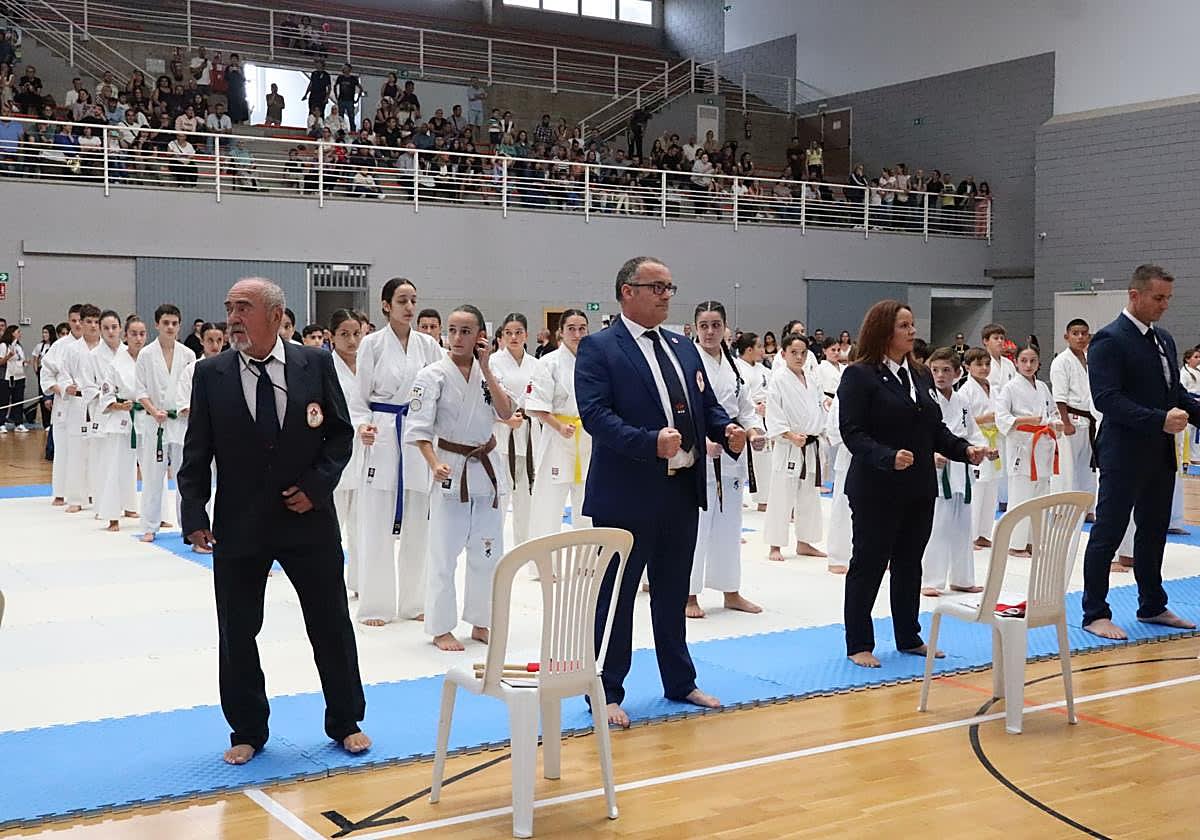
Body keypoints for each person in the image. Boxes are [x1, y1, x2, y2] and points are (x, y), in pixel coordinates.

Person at [179, 276, 370, 765]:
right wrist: (194, 513)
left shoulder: (315, 363)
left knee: (329, 622)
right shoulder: (211, 374)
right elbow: (196, 452)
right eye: (229, 307)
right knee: (237, 629)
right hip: (240, 521)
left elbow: (340, 437)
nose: (233, 317)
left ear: (276, 314)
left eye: (243, 307)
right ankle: (246, 728)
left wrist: (316, 486)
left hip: (306, 516)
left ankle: (346, 720)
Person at [575, 256, 747, 727]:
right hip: (627, 492)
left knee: (673, 593)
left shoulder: (682, 346)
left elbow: (704, 404)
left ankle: (680, 680)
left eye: (670, 287)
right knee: (617, 596)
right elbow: (595, 416)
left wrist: (727, 427)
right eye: (657, 287)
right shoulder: (599, 348)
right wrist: (648, 442)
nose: (667, 295)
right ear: (628, 291)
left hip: (681, 489)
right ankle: (604, 690)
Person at [838, 300, 987, 667]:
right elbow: (851, 432)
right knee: (869, 563)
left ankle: (908, 635)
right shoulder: (860, 375)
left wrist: (964, 450)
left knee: (910, 563)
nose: (912, 330)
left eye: (911, 325)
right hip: (876, 486)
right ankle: (859, 642)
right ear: (884, 330)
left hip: (919, 487)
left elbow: (933, 430)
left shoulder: (918, 375)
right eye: (904, 325)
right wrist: (886, 456)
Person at [1081, 264, 1200, 640]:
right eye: (1158, 298)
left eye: (1168, 298)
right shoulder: (1109, 340)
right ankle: (1094, 611)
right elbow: (1107, 400)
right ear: (1134, 295)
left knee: (1153, 533)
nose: (1164, 305)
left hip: (1159, 453)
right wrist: (1158, 419)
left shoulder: (1163, 340)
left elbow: (1174, 396)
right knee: (1109, 531)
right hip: (1123, 452)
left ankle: (1152, 604)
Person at [405, 305, 513, 651]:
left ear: (481, 336)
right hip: (451, 467)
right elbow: (419, 430)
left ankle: (482, 621)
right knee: (443, 552)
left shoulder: (489, 373)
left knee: (487, 551)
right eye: (452, 330)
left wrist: (486, 369)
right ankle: (440, 627)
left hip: (487, 468)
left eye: (465, 331)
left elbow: (507, 412)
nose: (456, 338)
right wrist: (433, 462)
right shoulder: (431, 375)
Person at [355, 279, 442, 625]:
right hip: (383, 430)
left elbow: (441, 388)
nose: (410, 307)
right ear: (386, 304)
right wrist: (363, 424)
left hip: (418, 432)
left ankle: (414, 602)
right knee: (376, 516)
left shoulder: (429, 345)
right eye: (402, 300)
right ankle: (376, 604)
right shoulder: (371, 345)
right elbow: (358, 397)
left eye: (413, 300)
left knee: (419, 516)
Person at [688, 301, 764, 618]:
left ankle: (730, 591)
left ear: (725, 328)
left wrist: (755, 432)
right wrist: (701, 440)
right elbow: (679, 409)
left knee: (730, 527)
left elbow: (745, 408)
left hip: (731, 453)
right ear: (694, 328)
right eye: (704, 325)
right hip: (698, 453)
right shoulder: (685, 362)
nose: (709, 331)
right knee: (696, 528)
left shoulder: (735, 367)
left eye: (715, 325)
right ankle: (688, 594)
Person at [920, 348, 991, 596]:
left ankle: (962, 578)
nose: (940, 375)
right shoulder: (924, 399)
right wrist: (931, 453)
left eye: (946, 370)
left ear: (958, 373)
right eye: (935, 370)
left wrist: (980, 448)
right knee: (937, 525)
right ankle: (930, 579)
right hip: (938, 472)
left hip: (961, 468)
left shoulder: (962, 401)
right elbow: (917, 436)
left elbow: (972, 431)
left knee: (963, 526)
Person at [526, 309, 592, 547]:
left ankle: (588, 561)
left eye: (582, 328)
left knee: (587, 501)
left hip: (587, 437)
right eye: (571, 329)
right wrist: (558, 426)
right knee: (548, 502)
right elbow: (536, 406)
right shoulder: (548, 363)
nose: (577, 333)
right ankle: (543, 561)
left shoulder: (594, 362)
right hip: (557, 437)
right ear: (560, 333)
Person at [764, 334, 828, 563]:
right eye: (794, 352)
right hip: (789, 445)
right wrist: (790, 435)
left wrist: (821, 429)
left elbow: (819, 407)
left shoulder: (811, 378)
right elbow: (773, 412)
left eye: (803, 353)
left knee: (809, 496)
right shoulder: (779, 379)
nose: (799, 357)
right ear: (783, 354)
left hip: (810, 443)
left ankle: (805, 542)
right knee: (782, 494)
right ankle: (775, 545)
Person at [135, 304, 196, 542]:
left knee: (185, 476)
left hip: (182, 421)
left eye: (174, 323)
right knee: (152, 476)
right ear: (157, 325)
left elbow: (194, 389)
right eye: (166, 323)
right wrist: (152, 410)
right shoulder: (146, 354)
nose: (170, 327)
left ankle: (188, 526)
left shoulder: (188, 355)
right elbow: (140, 389)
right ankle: (150, 525)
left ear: (179, 326)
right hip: (156, 422)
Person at [995, 344, 1059, 556]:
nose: (1028, 365)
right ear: (1016, 362)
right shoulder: (1010, 388)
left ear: (1039, 363)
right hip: (1022, 447)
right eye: (1024, 360)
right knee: (1020, 496)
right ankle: (1016, 544)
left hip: (1042, 445)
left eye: (1033, 361)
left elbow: (1052, 411)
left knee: (1040, 497)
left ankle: (1034, 541)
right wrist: (1027, 419)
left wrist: (1054, 422)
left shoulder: (1042, 387)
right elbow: (1001, 417)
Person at [490, 313, 543, 549]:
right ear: (501, 336)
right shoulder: (493, 362)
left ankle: (525, 551)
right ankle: (491, 551)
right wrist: (506, 419)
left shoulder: (536, 364)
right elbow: (489, 400)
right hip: (503, 436)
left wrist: (529, 410)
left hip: (530, 434)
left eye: (518, 332)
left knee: (527, 498)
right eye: (509, 333)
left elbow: (541, 397)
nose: (513, 337)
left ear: (526, 335)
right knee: (501, 496)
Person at [329, 310, 368, 597]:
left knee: (363, 524)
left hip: (367, 449)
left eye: (356, 333)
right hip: (335, 452)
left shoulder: (369, 364)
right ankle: (330, 582)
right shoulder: (323, 366)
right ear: (331, 337)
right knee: (333, 525)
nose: (352, 340)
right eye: (344, 334)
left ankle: (360, 582)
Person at [95, 314, 145, 531]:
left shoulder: (149, 359)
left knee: (148, 468)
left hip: (145, 418)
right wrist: (118, 405)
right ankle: (112, 515)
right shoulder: (116, 362)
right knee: (116, 466)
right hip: (121, 419)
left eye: (142, 334)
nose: (138, 338)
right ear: (126, 336)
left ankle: (136, 507)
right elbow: (106, 394)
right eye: (133, 333)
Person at [1050, 318, 1098, 518]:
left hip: (1089, 421)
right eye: (1075, 333)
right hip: (1070, 418)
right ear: (1066, 336)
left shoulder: (1091, 359)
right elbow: (1059, 396)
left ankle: (1086, 508)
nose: (1080, 337)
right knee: (1066, 469)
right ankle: (1062, 509)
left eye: (1084, 333)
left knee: (1087, 469)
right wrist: (1065, 422)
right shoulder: (1061, 361)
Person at [40, 305, 83, 505]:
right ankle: (60, 492)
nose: (77, 324)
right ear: (68, 320)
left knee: (86, 451)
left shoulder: (93, 345)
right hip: (64, 404)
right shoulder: (60, 345)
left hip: (86, 406)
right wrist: (61, 390)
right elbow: (46, 373)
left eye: (79, 320)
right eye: (73, 320)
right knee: (63, 448)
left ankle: (86, 490)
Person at [63, 305, 103, 513]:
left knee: (99, 451)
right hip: (78, 403)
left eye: (97, 322)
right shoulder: (72, 349)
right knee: (77, 452)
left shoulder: (107, 348)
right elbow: (63, 374)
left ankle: (99, 496)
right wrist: (66, 386)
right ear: (81, 322)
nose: (93, 326)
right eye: (88, 322)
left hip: (100, 404)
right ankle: (76, 498)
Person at [960, 348, 1002, 548]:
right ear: (967, 367)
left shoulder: (993, 388)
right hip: (976, 442)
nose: (984, 368)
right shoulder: (965, 391)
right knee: (977, 489)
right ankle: (969, 536)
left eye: (987, 364)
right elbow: (962, 421)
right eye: (979, 364)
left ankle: (984, 533)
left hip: (994, 440)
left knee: (991, 487)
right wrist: (985, 418)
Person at [733, 333, 771, 512]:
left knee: (763, 458)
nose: (763, 350)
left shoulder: (764, 370)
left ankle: (763, 499)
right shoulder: (735, 367)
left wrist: (766, 406)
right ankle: (735, 496)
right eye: (759, 347)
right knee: (738, 461)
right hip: (744, 417)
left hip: (763, 417)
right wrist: (755, 407)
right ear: (749, 349)